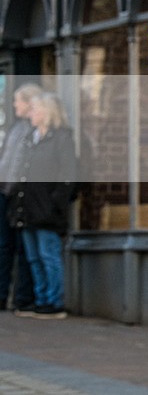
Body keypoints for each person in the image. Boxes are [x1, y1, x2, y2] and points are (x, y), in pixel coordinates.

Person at [8, 93, 77, 319]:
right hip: (26, 207)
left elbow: (67, 175)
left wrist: (55, 203)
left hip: (46, 209)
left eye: (35, 109)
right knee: (34, 258)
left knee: (49, 256)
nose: (31, 114)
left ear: (47, 112)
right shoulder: (31, 138)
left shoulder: (61, 139)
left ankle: (54, 302)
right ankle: (41, 299)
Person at [0, 83, 40, 311]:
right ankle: (3, 295)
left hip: (19, 194)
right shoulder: (16, 128)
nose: (15, 104)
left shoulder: (32, 130)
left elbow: (21, 165)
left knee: (24, 248)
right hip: (5, 191)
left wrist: (14, 188)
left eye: (18, 101)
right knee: (4, 246)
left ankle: (23, 297)